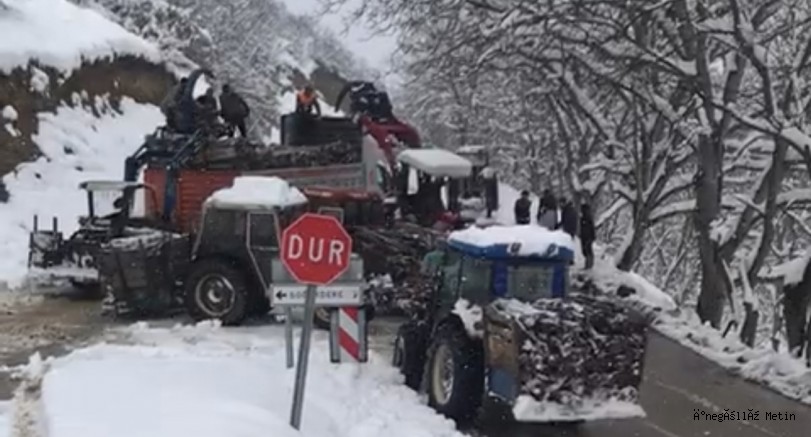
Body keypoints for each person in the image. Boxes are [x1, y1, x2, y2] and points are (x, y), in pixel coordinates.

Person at [580, 203, 596, 269]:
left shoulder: (587, 218)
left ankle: (588, 265)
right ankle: (588, 264)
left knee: (588, 251)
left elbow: (591, 228)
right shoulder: (585, 217)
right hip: (586, 236)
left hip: (587, 236)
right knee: (587, 251)